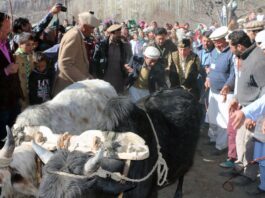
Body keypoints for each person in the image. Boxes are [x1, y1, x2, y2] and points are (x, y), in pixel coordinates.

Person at [228, 28, 265, 186]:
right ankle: (241, 169)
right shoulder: (246, 56)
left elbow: (264, 90)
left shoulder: (257, 61)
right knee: (241, 142)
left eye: (231, 46)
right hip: (244, 108)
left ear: (239, 46)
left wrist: (254, 116)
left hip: (252, 112)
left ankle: (249, 176)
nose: (230, 50)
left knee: (250, 146)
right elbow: (245, 81)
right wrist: (237, 97)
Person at [52, 12, 100, 96]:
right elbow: (65, 64)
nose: (92, 31)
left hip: (72, 88)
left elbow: (79, 64)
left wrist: (90, 78)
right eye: (92, 28)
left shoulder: (77, 34)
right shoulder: (74, 36)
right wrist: (85, 82)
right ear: (84, 27)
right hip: (67, 90)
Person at [205, 26, 235, 156]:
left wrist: (227, 85)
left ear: (225, 40)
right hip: (213, 90)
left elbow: (234, 74)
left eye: (219, 41)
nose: (217, 43)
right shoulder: (213, 52)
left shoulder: (230, 53)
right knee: (213, 117)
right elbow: (211, 68)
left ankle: (221, 145)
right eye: (215, 41)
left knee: (223, 120)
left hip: (225, 93)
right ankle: (213, 138)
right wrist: (207, 77)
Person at [0, 12, 22, 147]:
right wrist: (6, 71)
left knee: (15, 136)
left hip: (13, 99)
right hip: (1, 103)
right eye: (6, 26)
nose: (9, 30)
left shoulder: (6, 44)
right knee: (3, 140)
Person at [93, 24, 132, 93]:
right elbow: (95, 61)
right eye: (118, 33)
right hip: (105, 79)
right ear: (111, 33)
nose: (120, 35)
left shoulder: (123, 45)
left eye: (120, 33)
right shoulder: (102, 45)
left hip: (119, 79)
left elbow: (129, 57)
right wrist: (97, 77)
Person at [14, 32, 35, 110]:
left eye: (32, 44)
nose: (31, 47)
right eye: (28, 45)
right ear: (20, 44)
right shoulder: (15, 57)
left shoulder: (30, 56)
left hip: (29, 91)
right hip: (20, 93)